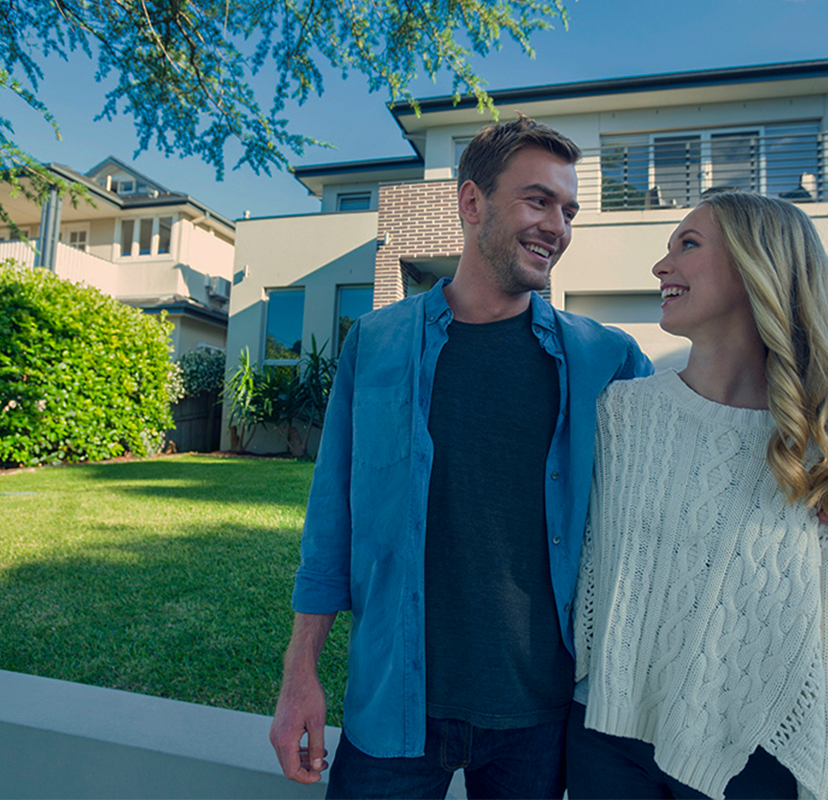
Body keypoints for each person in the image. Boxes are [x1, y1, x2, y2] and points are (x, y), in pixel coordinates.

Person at [269, 114, 652, 799]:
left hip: (538, 717)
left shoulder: (607, 358)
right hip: (394, 702)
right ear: (472, 203)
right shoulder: (377, 344)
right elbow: (332, 520)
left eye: (568, 211)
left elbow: (699, 442)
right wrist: (301, 674)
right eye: (538, 201)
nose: (557, 227)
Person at [568, 191, 828, 800]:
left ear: (755, 265)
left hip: (755, 756)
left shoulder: (815, 447)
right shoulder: (621, 417)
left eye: (687, 244)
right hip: (607, 737)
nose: (661, 267)